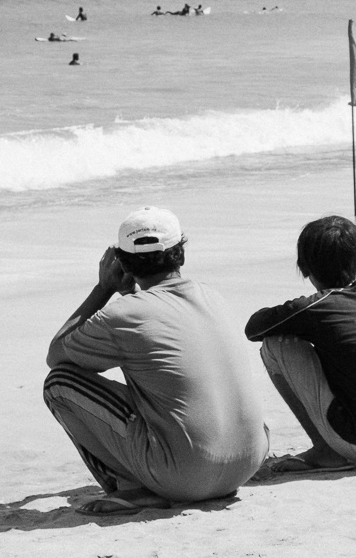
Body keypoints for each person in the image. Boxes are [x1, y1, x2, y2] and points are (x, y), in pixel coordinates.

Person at [43, 207, 270, 514]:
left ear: (122, 261)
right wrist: (129, 296)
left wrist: (103, 289)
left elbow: (56, 355)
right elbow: (149, 327)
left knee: (59, 383)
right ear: (182, 255)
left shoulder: (123, 315)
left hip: (187, 476)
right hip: (247, 463)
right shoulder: (212, 296)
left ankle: (130, 488)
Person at [245, 216, 356, 475]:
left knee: (275, 344)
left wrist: (298, 314)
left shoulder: (315, 307)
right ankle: (339, 442)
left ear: (303, 268)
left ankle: (324, 450)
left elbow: (254, 329)